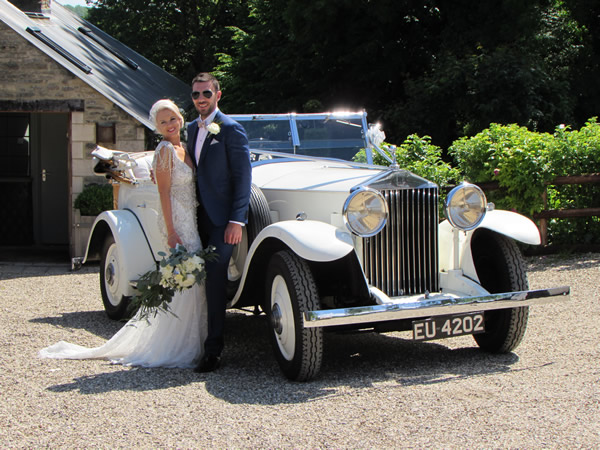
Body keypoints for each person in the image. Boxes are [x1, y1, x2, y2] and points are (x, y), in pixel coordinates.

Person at [39, 99, 207, 369]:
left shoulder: (184, 148)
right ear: (157, 127)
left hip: (191, 215)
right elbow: (163, 192)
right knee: (185, 278)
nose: (169, 125)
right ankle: (180, 345)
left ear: (180, 118)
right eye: (163, 122)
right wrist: (172, 230)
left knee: (193, 280)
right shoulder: (164, 150)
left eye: (172, 119)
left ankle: (192, 340)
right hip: (177, 219)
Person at [186, 72, 252, 373]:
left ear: (218, 95)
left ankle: (213, 350)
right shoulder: (189, 129)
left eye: (206, 94)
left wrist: (236, 221)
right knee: (189, 275)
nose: (201, 99)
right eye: (196, 95)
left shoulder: (231, 129)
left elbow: (243, 178)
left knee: (215, 279)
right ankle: (190, 339)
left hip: (223, 222)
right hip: (193, 216)